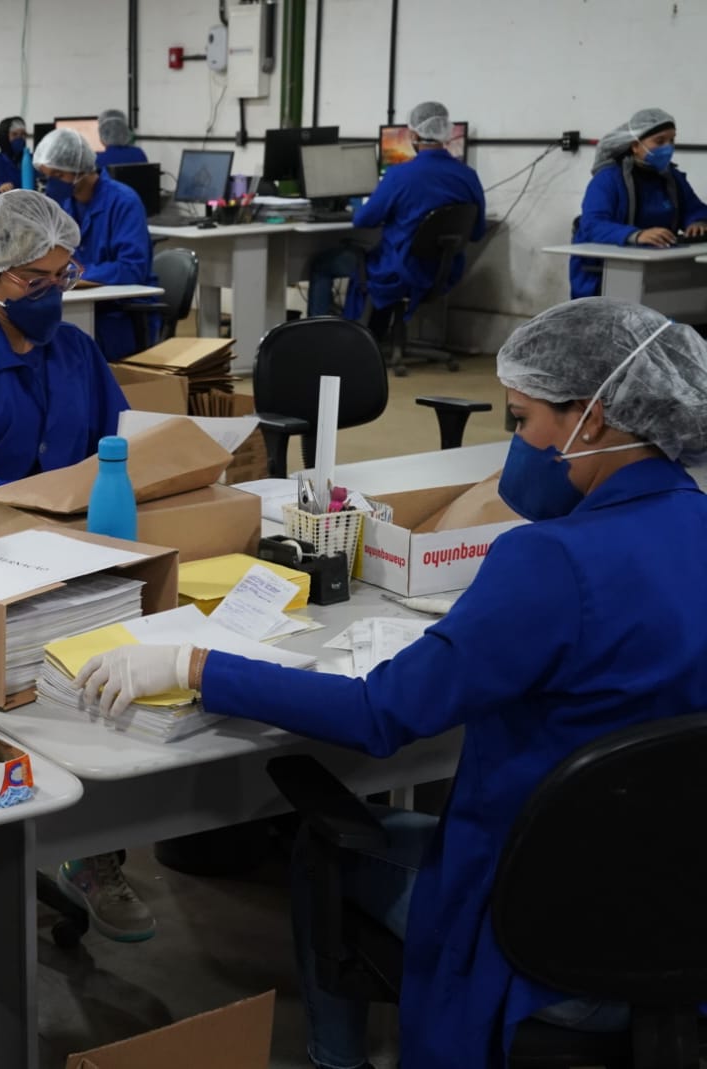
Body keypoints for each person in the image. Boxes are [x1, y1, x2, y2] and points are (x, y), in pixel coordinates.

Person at [75, 297, 707, 1068]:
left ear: (594, 418)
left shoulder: (551, 562)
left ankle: (336, 1059)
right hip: (679, 918)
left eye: (521, 419)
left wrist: (195, 666)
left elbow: (379, 713)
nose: (515, 444)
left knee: (324, 844)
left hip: (545, 942)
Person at [0, 189, 149, 941]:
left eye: (61, 277)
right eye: (33, 281)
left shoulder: (76, 351)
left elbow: (117, 450)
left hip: (65, 553)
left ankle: (94, 850)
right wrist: (53, 517)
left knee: (111, 684)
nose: (50, 294)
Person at [307, 101, 486, 327]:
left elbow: (363, 220)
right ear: (446, 132)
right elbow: (477, 232)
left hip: (397, 271)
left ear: (413, 135)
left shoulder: (399, 175)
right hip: (443, 273)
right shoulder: (468, 176)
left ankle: (315, 335)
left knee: (322, 264)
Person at [32, 127, 155, 360]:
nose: (53, 183)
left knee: (64, 350)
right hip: (79, 305)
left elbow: (132, 269)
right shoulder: (65, 205)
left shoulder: (123, 202)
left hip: (120, 314)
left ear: (81, 170)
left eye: (58, 175)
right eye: (48, 176)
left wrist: (75, 277)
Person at [570, 107, 707, 299]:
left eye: (672, 140)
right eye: (659, 141)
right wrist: (635, 235)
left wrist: (697, 221)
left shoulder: (672, 178)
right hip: (605, 272)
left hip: (658, 267)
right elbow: (592, 224)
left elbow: (694, 208)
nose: (668, 147)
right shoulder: (608, 179)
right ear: (635, 145)